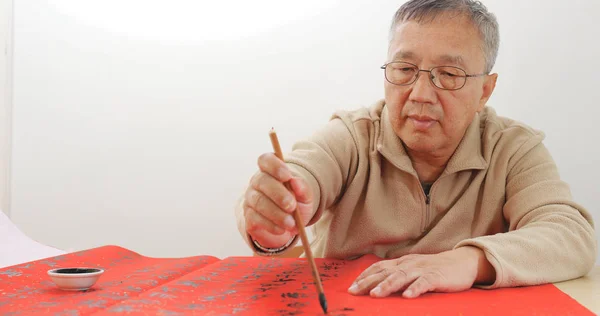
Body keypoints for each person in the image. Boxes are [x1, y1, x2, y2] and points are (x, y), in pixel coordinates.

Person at [234, 0, 596, 299]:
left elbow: (572, 235)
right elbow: (304, 172)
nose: (421, 94)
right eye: (404, 69)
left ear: (485, 90)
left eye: (449, 75)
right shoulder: (353, 136)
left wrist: (469, 261)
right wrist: (276, 213)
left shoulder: (513, 148)